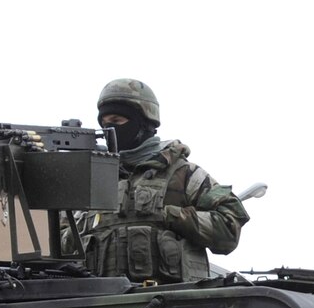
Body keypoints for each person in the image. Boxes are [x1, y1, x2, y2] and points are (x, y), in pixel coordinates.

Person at [74, 78, 249, 284]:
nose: (109, 130)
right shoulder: (94, 181)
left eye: (117, 121)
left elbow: (229, 228)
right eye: (104, 124)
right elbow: (54, 241)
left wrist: (172, 216)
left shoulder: (183, 174)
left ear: (143, 123)